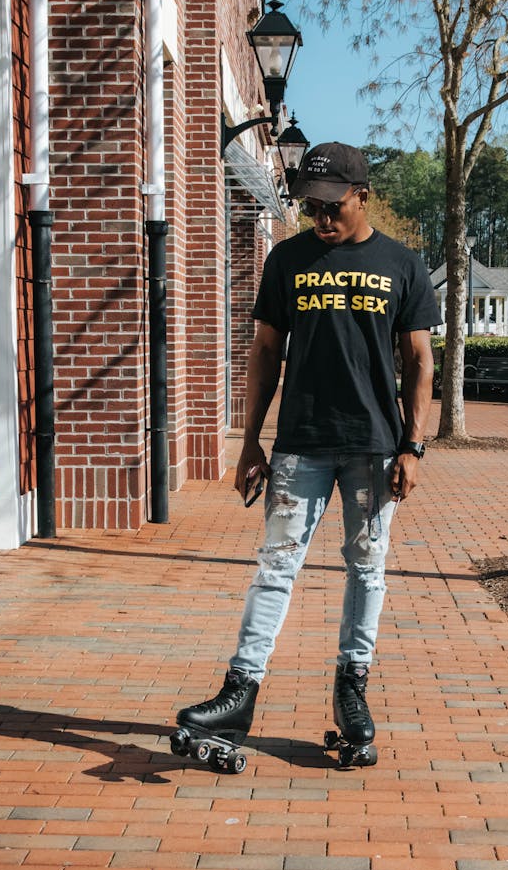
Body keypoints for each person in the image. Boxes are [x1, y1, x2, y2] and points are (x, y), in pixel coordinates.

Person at [176, 142, 440, 764]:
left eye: (332, 206)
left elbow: (420, 360)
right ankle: (239, 691)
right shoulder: (287, 260)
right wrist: (248, 441)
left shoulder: (402, 265)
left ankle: (353, 688)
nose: (321, 218)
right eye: (310, 206)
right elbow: (266, 352)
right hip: (300, 444)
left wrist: (413, 446)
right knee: (276, 565)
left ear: (363, 196)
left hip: (375, 446)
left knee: (366, 568)